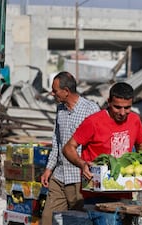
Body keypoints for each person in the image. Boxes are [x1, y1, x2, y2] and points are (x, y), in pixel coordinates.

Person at [62, 82, 142, 224]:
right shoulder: (93, 122)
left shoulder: (135, 120)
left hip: (125, 191)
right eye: (117, 107)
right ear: (109, 102)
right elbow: (68, 147)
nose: (122, 112)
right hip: (97, 194)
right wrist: (82, 164)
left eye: (127, 108)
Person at [40, 71, 100, 225]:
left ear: (66, 91)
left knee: (79, 221)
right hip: (59, 176)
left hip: (79, 179)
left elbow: (98, 143)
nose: (52, 94)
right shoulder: (60, 109)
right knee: (47, 219)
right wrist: (49, 168)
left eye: (55, 91)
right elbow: (57, 140)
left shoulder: (90, 109)